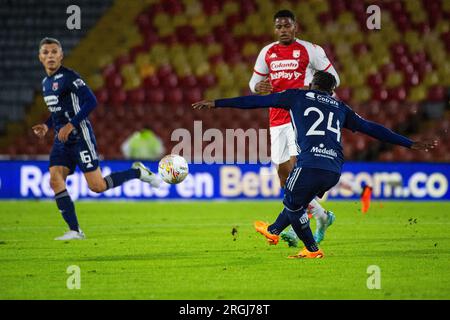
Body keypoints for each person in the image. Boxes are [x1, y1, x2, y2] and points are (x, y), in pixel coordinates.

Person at [192, 71, 436, 258]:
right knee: (298, 199)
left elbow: (254, 102)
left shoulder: (296, 95)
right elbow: (372, 128)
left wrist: (217, 103)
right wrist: (409, 143)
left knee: (291, 200)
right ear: (332, 91)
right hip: (334, 168)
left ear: (311, 85)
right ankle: (274, 230)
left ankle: (312, 249)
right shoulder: (341, 107)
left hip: (310, 163)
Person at [32, 37, 161, 240]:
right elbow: (58, 111)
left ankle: (138, 172)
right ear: (40, 57)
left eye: (54, 52)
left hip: (80, 136)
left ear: (61, 55)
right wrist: (46, 126)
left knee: (97, 186)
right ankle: (75, 230)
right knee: (55, 180)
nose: (50, 56)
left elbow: (91, 101)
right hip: (61, 140)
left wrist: (72, 124)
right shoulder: (46, 83)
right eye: (46, 52)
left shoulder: (69, 77)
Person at [249, 9, 341, 245]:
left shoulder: (311, 50)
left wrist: (311, 88)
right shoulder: (267, 52)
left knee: (297, 171)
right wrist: (258, 88)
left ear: (295, 27)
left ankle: (295, 226)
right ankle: (321, 216)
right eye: (279, 26)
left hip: (301, 117)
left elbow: (334, 79)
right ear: (274, 29)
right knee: (283, 175)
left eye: (287, 26)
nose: (283, 30)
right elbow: (253, 83)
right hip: (276, 118)